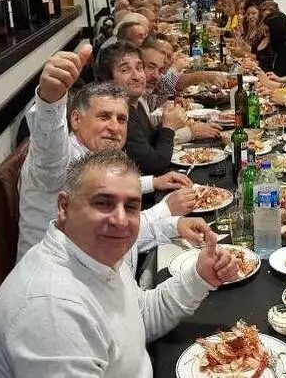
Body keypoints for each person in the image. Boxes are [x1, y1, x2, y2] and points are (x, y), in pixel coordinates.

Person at [0, 150, 242, 377]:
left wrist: (199, 277)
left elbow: (139, 318)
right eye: (103, 203)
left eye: (131, 206)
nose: (120, 220)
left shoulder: (94, 256)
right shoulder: (51, 311)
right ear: (64, 206)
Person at [18, 46, 207, 269]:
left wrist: (165, 208)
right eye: (104, 116)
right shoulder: (60, 162)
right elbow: (49, 152)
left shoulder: (96, 158)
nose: (114, 127)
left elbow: (116, 228)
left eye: (121, 119)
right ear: (76, 120)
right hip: (58, 276)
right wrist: (51, 100)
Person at [97, 41, 182, 175]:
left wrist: (168, 122)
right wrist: (169, 128)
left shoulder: (135, 103)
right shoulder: (118, 116)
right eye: (125, 70)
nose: (137, 76)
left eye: (139, 68)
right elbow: (155, 165)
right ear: (109, 81)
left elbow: (151, 141)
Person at [138, 38, 221, 143]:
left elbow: (150, 122)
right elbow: (146, 143)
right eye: (150, 67)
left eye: (169, 56)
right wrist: (190, 132)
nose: (167, 60)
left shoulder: (144, 94)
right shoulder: (131, 98)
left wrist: (177, 117)